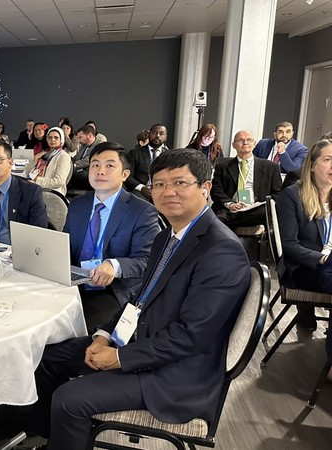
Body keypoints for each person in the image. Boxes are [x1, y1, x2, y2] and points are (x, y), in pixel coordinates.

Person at [30, 148, 250, 449]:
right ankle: (54, 437)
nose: (167, 192)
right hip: (141, 340)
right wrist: (105, 335)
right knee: (49, 358)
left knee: (69, 399)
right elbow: (140, 299)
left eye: (180, 183)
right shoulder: (169, 235)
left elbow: (191, 336)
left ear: (205, 188)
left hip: (175, 374)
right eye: (159, 184)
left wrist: (120, 357)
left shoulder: (220, 250)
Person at [63, 142, 159, 329]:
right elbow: (65, 247)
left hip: (113, 290)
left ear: (125, 174)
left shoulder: (142, 211)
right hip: (74, 283)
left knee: (78, 332)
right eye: (95, 165)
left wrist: (115, 265)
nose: (100, 171)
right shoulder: (76, 205)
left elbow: (148, 261)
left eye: (109, 165)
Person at [276, 139, 332, 330]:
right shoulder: (292, 196)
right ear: (313, 165)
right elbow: (289, 245)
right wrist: (323, 259)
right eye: (328, 159)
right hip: (305, 266)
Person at [210, 130, 281, 228]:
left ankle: (231, 218)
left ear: (254, 144)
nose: (245, 142)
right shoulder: (222, 167)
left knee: (263, 212)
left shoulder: (271, 167)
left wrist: (257, 205)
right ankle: (234, 216)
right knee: (218, 214)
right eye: (241, 140)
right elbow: (216, 191)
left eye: (249, 140)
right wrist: (230, 204)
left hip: (256, 208)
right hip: (230, 207)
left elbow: (277, 194)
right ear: (233, 145)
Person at [124, 124, 170, 200]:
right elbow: (127, 175)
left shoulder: (169, 155)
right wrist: (141, 188)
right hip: (141, 191)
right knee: (136, 200)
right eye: (154, 133)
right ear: (149, 135)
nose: (157, 136)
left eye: (161, 133)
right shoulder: (135, 153)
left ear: (165, 137)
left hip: (162, 191)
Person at [24, 127, 73, 197]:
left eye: (56, 138)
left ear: (61, 140)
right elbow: (27, 173)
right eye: (50, 138)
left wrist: (36, 181)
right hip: (38, 188)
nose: (52, 140)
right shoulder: (46, 154)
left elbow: (59, 181)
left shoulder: (64, 156)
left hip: (53, 192)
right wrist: (35, 160)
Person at [68, 125, 100, 191]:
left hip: (90, 173)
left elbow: (89, 160)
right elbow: (76, 158)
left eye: (80, 137)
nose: (78, 140)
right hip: (79, 171)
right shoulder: (83, 146)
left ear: (90, 136)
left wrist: (72, 166)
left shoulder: (99, 146)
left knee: (79, 175)